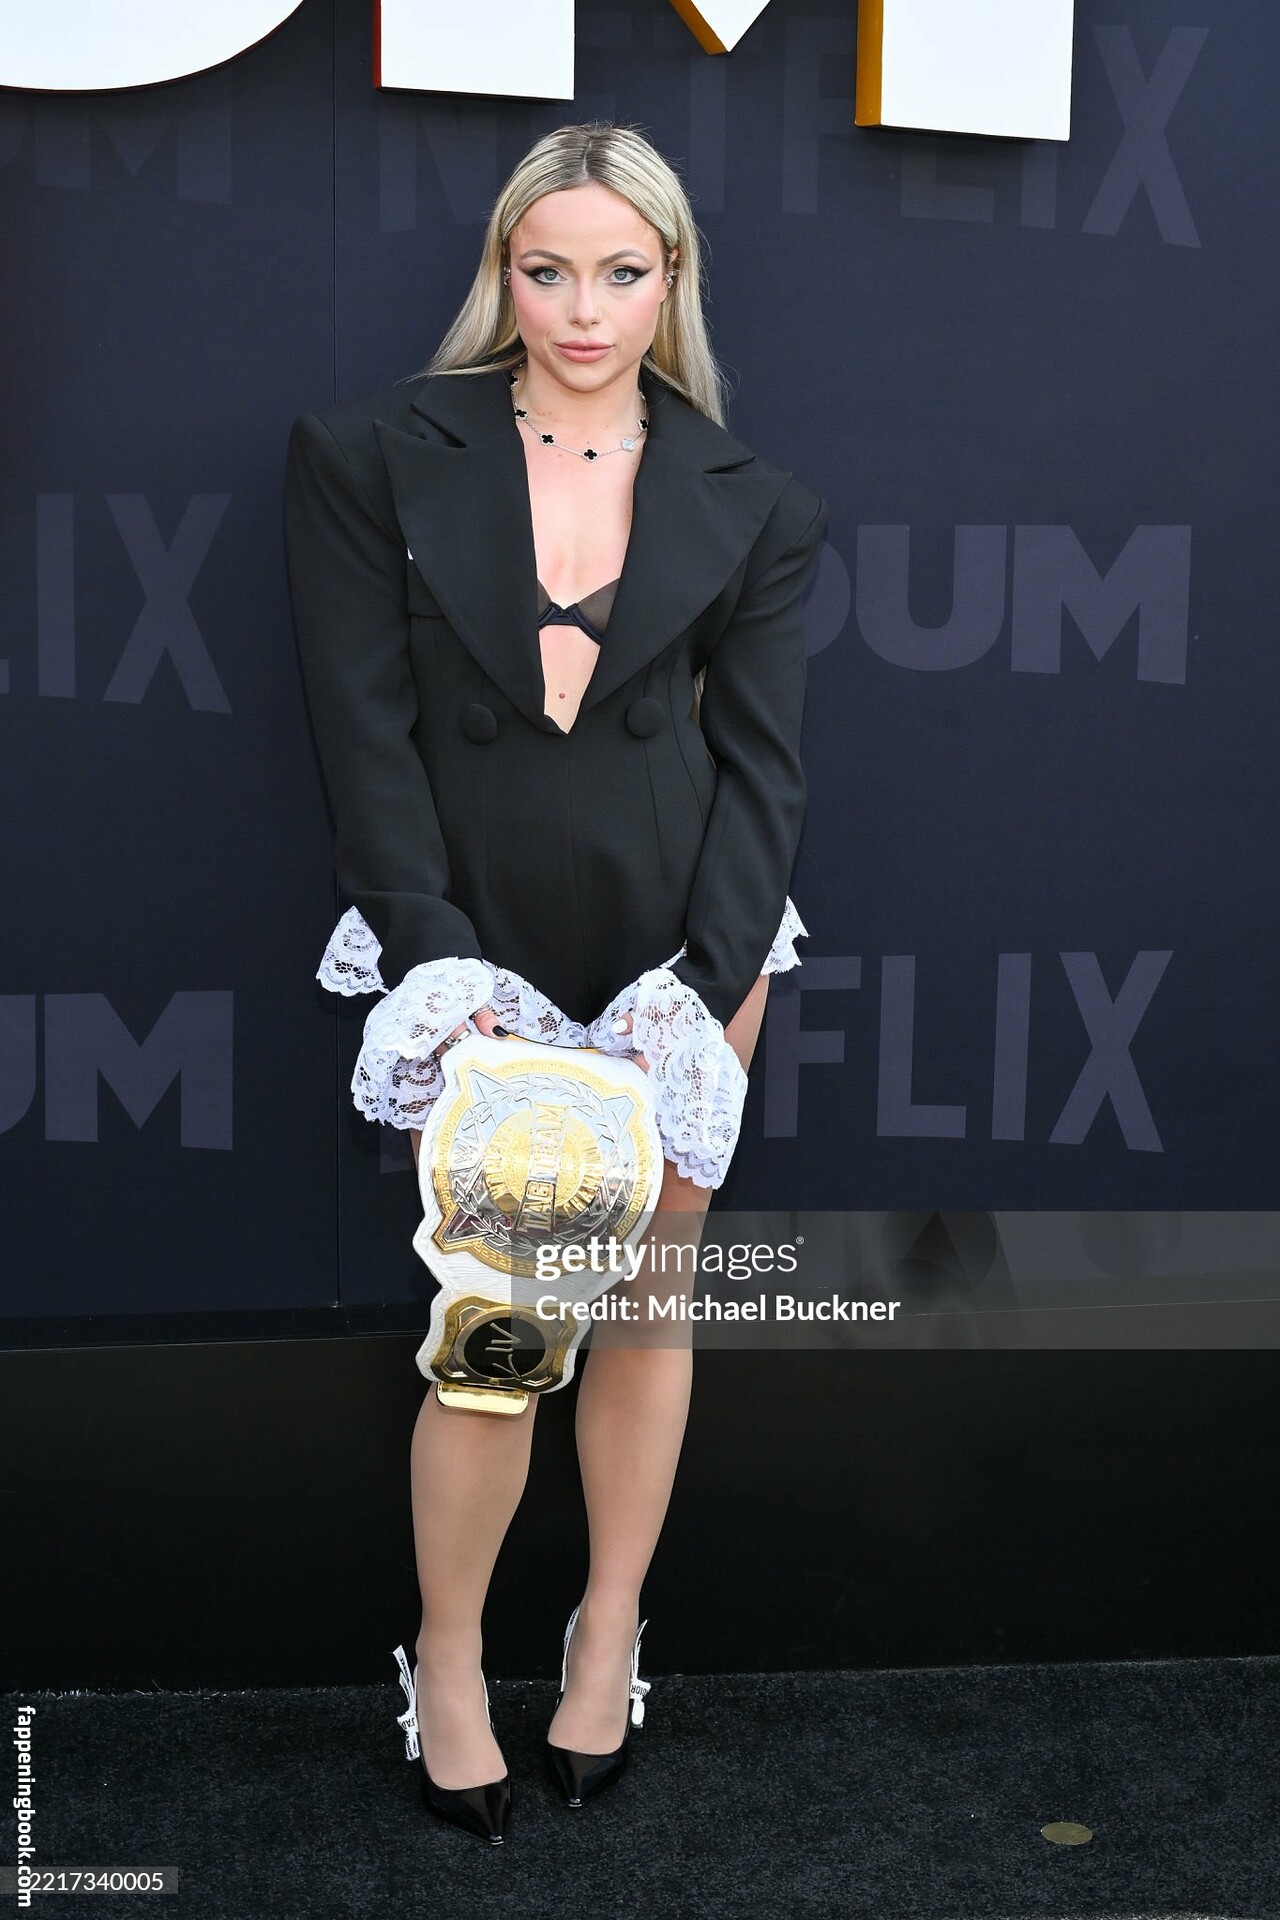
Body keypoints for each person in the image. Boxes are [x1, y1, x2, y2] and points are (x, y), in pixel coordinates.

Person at [283, 119, 829, 1843]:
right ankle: (448, 1663)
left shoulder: (756, 499)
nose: (584, 309)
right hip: (474, 944)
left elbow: (765, 775)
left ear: (672, 281)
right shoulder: (370, 454)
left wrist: (705, 984)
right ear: (502, 273)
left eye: (621, 272)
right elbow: (362, 739)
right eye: (549, 269)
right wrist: (441, 966)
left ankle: (608, 1635)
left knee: (650, 1303)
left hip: (688, 944)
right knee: (500, 1326)